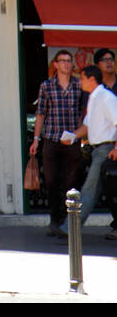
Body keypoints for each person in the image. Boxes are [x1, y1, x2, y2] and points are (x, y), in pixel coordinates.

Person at [29, 48, 85, 237]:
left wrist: (79, 135)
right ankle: (55, 220)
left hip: (72, 140)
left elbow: (83, 113)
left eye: (69, 61)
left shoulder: (79, 85)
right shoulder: (46, 86)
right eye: (62, 61)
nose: (66, 64)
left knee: (72, 181)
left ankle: (69, 221)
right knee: (52, 181)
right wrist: (36, 140)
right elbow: (41, 114)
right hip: (51, 139)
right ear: (55, 64)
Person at [62, 64, 117, 230]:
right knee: (108, 192)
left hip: (106, 150)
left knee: (89, 190)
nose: (80, 81)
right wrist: (72, 137)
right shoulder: (94, 98)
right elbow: (87, 126)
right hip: (98, 150)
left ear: (91, 79)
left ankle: (69, 228)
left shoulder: (105, 97)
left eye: (82, 78)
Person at [93, 49, 117, 235]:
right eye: (105, 60)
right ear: (97, 65)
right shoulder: (97, 90)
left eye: (111, 59)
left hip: (114, 146)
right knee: (110, 186)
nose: (109, 62)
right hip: (104, 146)